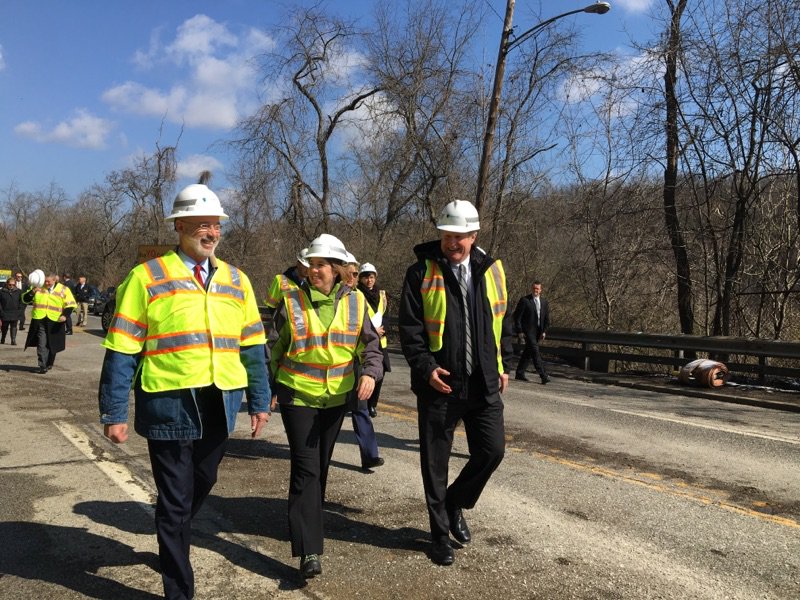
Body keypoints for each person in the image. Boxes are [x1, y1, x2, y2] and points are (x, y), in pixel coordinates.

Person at [98, 175, 271, 600]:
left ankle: (169, 531)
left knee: (203, 480)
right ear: (179, 227)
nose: (211, 232)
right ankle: (179, 588)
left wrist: (260, 401)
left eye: (216, 225)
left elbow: (253, 345)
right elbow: (121, 348)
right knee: (175, 501)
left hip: (221, 401)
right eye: (201, 224)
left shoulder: (237, 280)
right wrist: (114, 411)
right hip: (170, 404)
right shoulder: (146, 277)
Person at [398, 199, 513, 567]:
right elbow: (411, 330)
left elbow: (503, 322)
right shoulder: (420, 273)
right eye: (447, 236)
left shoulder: (492, 270)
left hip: (482, 384)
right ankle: (438, 536)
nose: (453, 243)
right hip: (440, 385)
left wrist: (504, 363)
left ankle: (455, 502)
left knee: (492, 451)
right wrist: (425, 368)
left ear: (473, 235)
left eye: (460, 237)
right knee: (435, 464)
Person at [269, 233, 382, 579]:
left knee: (320, 466)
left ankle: (306, 520)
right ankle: (309, 551)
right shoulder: (290, 302)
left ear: (335, 269)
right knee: (306, 469)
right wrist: (270, 389)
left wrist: (371, 374)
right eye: (311, 264)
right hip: (297, 396)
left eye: (320, 265)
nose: (313, 270)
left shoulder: (357, 302)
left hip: (336, 399)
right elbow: (273, 348)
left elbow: (372, 346)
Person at [343, 254, 384, 471]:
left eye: (356, 274)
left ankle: (369, 455)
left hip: (358, 366)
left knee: (361, 409)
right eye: (349, 273)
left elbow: (366, 333)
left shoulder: (357, 299)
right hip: (331, 373)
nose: (353, 277)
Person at [22, 272, 77, 373]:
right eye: (45, 281)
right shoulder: (38, 286)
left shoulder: (63, 289)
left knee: (52, 344)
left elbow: (70, 304)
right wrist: (32, 292)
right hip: (40, 319)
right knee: (41, 343)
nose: (46, 283)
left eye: (48, 281)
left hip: (55, 321)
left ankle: (49, 363)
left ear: (54, 280)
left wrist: (65, 315)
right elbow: (25, 299)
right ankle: (42, 365)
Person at [356, 262, 392, 418]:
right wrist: (371, 330)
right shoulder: (356, 294)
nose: (369, 280)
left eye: (371, 277)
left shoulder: (382, 294)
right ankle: (362, 404)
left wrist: (384, 328)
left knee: (380, 373)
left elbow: (386, 315)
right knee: (363, 373)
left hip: (381, 340)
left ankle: (372, 404)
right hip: (364, 340)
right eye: (366, 277)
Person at [513, 280, 550, 384]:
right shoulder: (525, 300)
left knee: (528, 352)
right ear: (531, 288)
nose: (535, 290)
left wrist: (544, 331)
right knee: (535, 352)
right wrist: (519, 331)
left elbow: (547, 319)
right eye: (534, 288)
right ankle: (543, 375)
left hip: (538, 332)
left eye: (537, 289)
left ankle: (519, 373)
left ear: (541, 290)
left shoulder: (544, 302)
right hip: (528, 332)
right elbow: (517, 317)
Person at [0, 276, 24, 345]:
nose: (11, 286)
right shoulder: (2, 291)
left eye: (13, 285)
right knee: (4, 327)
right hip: (5, 312)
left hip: (15, 312)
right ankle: (3, 338)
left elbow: (21, 302)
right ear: (7, 284)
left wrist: (20, 310)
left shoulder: (18, 291)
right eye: (10, 284)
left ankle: (13, 340)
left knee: (14, 327)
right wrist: (1, 311)